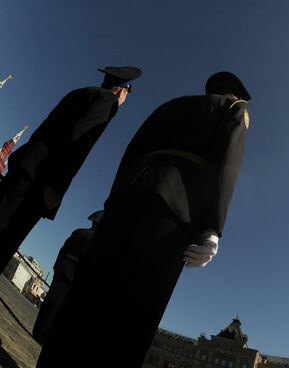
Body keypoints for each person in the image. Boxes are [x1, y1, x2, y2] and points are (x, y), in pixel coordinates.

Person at [37, 71, 251, 368]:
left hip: (127, 197)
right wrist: (212, 227)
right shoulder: (234, 110)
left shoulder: (170, 105)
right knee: (134, 315)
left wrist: (114, 200)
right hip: (173, 211)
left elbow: (132, 151)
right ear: (235, 95)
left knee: (88, 296)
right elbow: (226, 166)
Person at [0, 66, 142, 272]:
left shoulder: (80, 93)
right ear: (121, 91)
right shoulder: (107, 101)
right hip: (40, 180)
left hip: (26, 165)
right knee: (5, 238)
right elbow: (79, 142)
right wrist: (56, 186)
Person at [32, 210, 103, 344]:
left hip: (62, 269)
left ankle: (37, 330)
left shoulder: (78, 232)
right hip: (72, 275)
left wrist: (56, 267)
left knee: (49, 302)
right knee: (57, 307)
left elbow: (62, 250)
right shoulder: (96, 242)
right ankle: (42, 334)